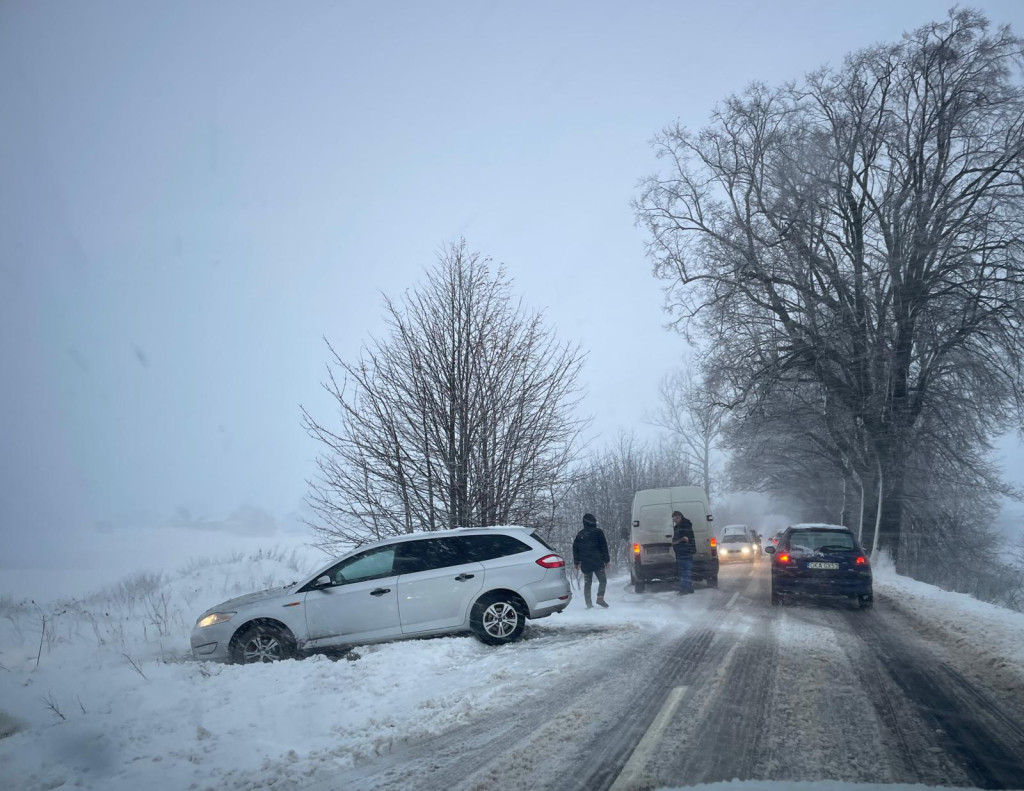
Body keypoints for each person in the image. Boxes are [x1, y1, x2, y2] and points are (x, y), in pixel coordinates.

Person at [573, 513, 610, 608]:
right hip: (597, 561)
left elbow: (575, 548)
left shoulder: (580, 534)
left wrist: (576, 562)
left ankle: (588, 604)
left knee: (587, 583)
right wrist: (607, 560)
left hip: (586, 563)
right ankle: (600, 597)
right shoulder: (598, 532)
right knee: (603, 581)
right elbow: (604, 547)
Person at [671, 510, 696, 594]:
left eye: (675, 519)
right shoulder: (679, 526)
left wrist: (677, 541)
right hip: (682, 551)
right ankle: (688, 587)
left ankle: (685, 588)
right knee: (685, 570)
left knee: (684, 570)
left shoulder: (685, 525)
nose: (674, 521)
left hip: (685, 551)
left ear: (679, 517)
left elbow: (686, 538)